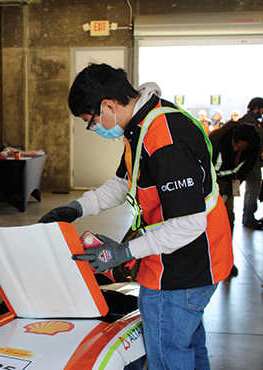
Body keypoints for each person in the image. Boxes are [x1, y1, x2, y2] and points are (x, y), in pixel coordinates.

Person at [40, 64, 233, 369]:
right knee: (189, 348)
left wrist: (124, 252)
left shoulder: (166, 138)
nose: (95, 130)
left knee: (167, 356)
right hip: (182, 260)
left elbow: (189, 223)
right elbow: (123, 182)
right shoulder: (142, 124)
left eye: (91, 123)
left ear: (108, 106)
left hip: (182, 269)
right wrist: (78, 208)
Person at [210, 123, 259, 277]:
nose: (237, 149)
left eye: (241, 147)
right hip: (210, 182)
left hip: (232, 181)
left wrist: (231, 194)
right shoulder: (217, 139)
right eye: (235, 145)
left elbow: (243, 171)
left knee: (228, 217)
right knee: (207, 219)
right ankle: (206, 260)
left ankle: (226, 261)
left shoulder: (253, 147)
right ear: (233, 139)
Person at [238, 97, 263, 230]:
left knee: (249, 191)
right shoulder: (252, 123)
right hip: (252, 163)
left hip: (245, 163)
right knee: (252, 191)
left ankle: (246, 217)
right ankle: (248, 218)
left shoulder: (245, 120)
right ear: (257, 108)